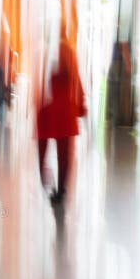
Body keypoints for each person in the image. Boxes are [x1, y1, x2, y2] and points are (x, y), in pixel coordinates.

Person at [36, 39, 87, 205]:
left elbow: (43, 83)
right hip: (65, 112)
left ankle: (45, 177)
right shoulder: (69, 56)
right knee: (65, 155)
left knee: (44, 146)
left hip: (51, 110)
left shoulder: (50, 54)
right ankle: (61, 189)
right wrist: (80, 107)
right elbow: (77, 83)